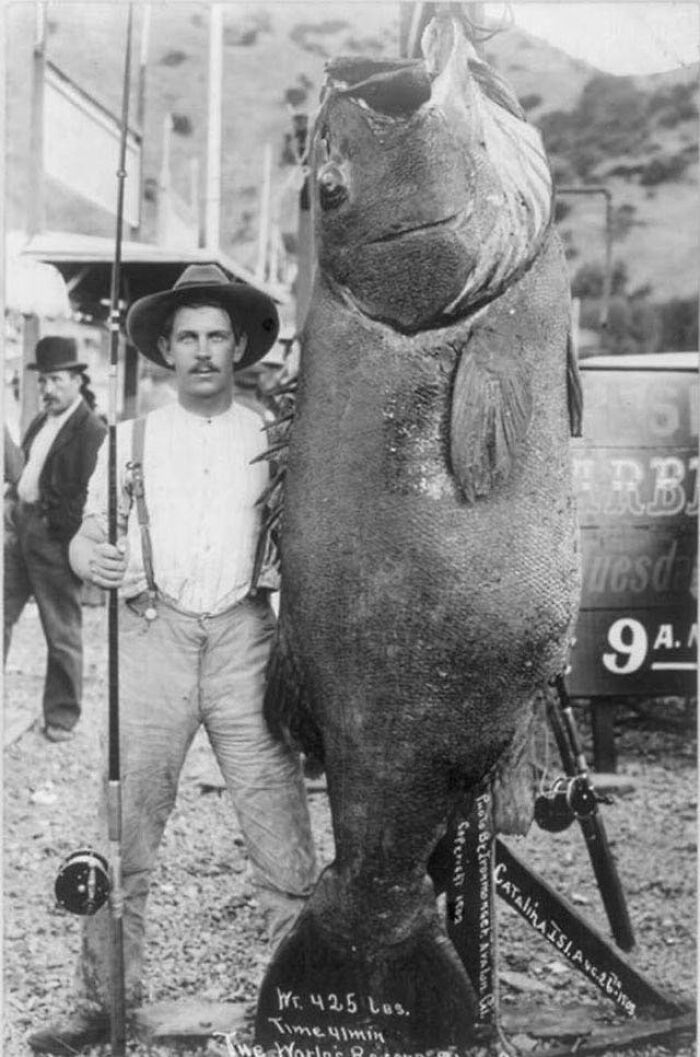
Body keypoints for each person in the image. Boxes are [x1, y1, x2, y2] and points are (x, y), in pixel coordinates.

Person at [28, 264, 318, 1054]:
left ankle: (308, 995)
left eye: (216, 336)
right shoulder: (130, 436)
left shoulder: (269, 432)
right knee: (126, 826)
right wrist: (96, 560)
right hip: (151, 637)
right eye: (186, 336)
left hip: (243, 640)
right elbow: (85, 535)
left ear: (238, 347)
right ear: (164, 347)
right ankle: (102, 1003)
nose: (201, 351)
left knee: (278, 823)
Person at [3, 336, 107, 742]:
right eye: (43, 380)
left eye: (57, 379)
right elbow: (26, 471)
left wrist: (55, 528)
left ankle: (62, 717)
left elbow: (90, 495)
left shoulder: (91, 430)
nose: (48, 389)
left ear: (78, 380)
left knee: (61, 631)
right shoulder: (41, 421)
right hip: (20, 535)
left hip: (57, 542)